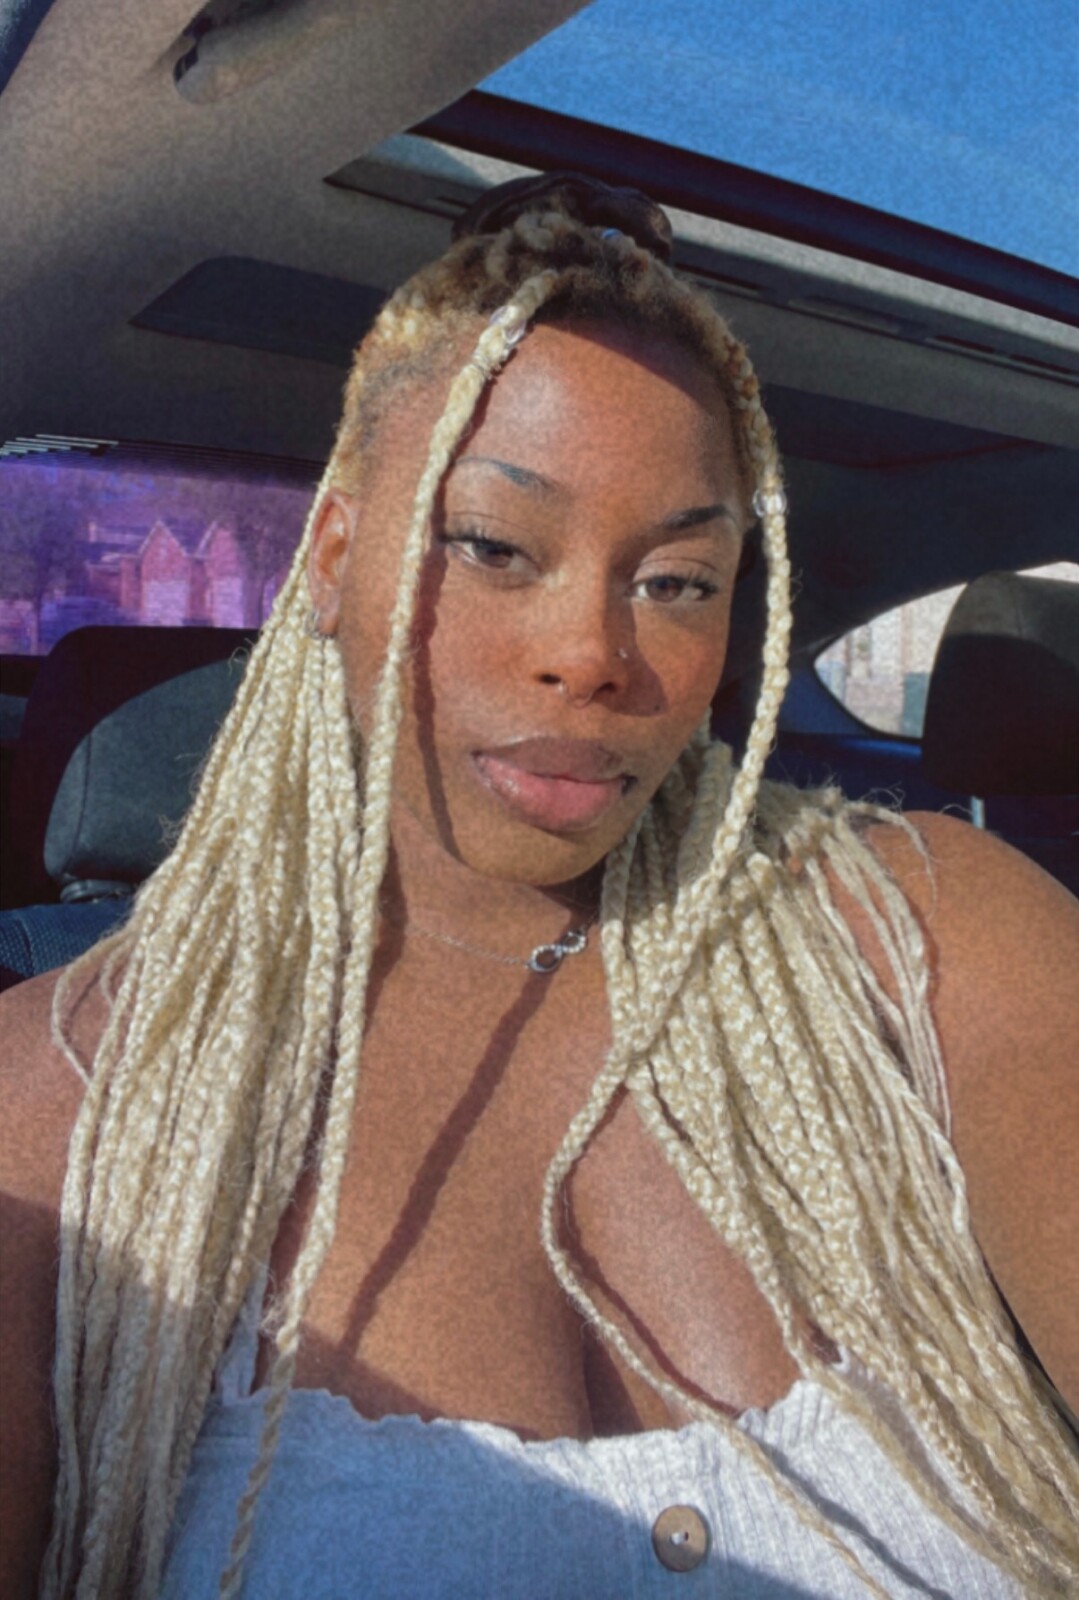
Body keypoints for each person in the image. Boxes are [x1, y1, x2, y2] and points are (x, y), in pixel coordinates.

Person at [1, 174, 1076, 1600]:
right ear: (332, 559)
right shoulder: (58, 1105)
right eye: (495, 547)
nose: (594, 656)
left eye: (678, 580)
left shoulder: (933, 941)